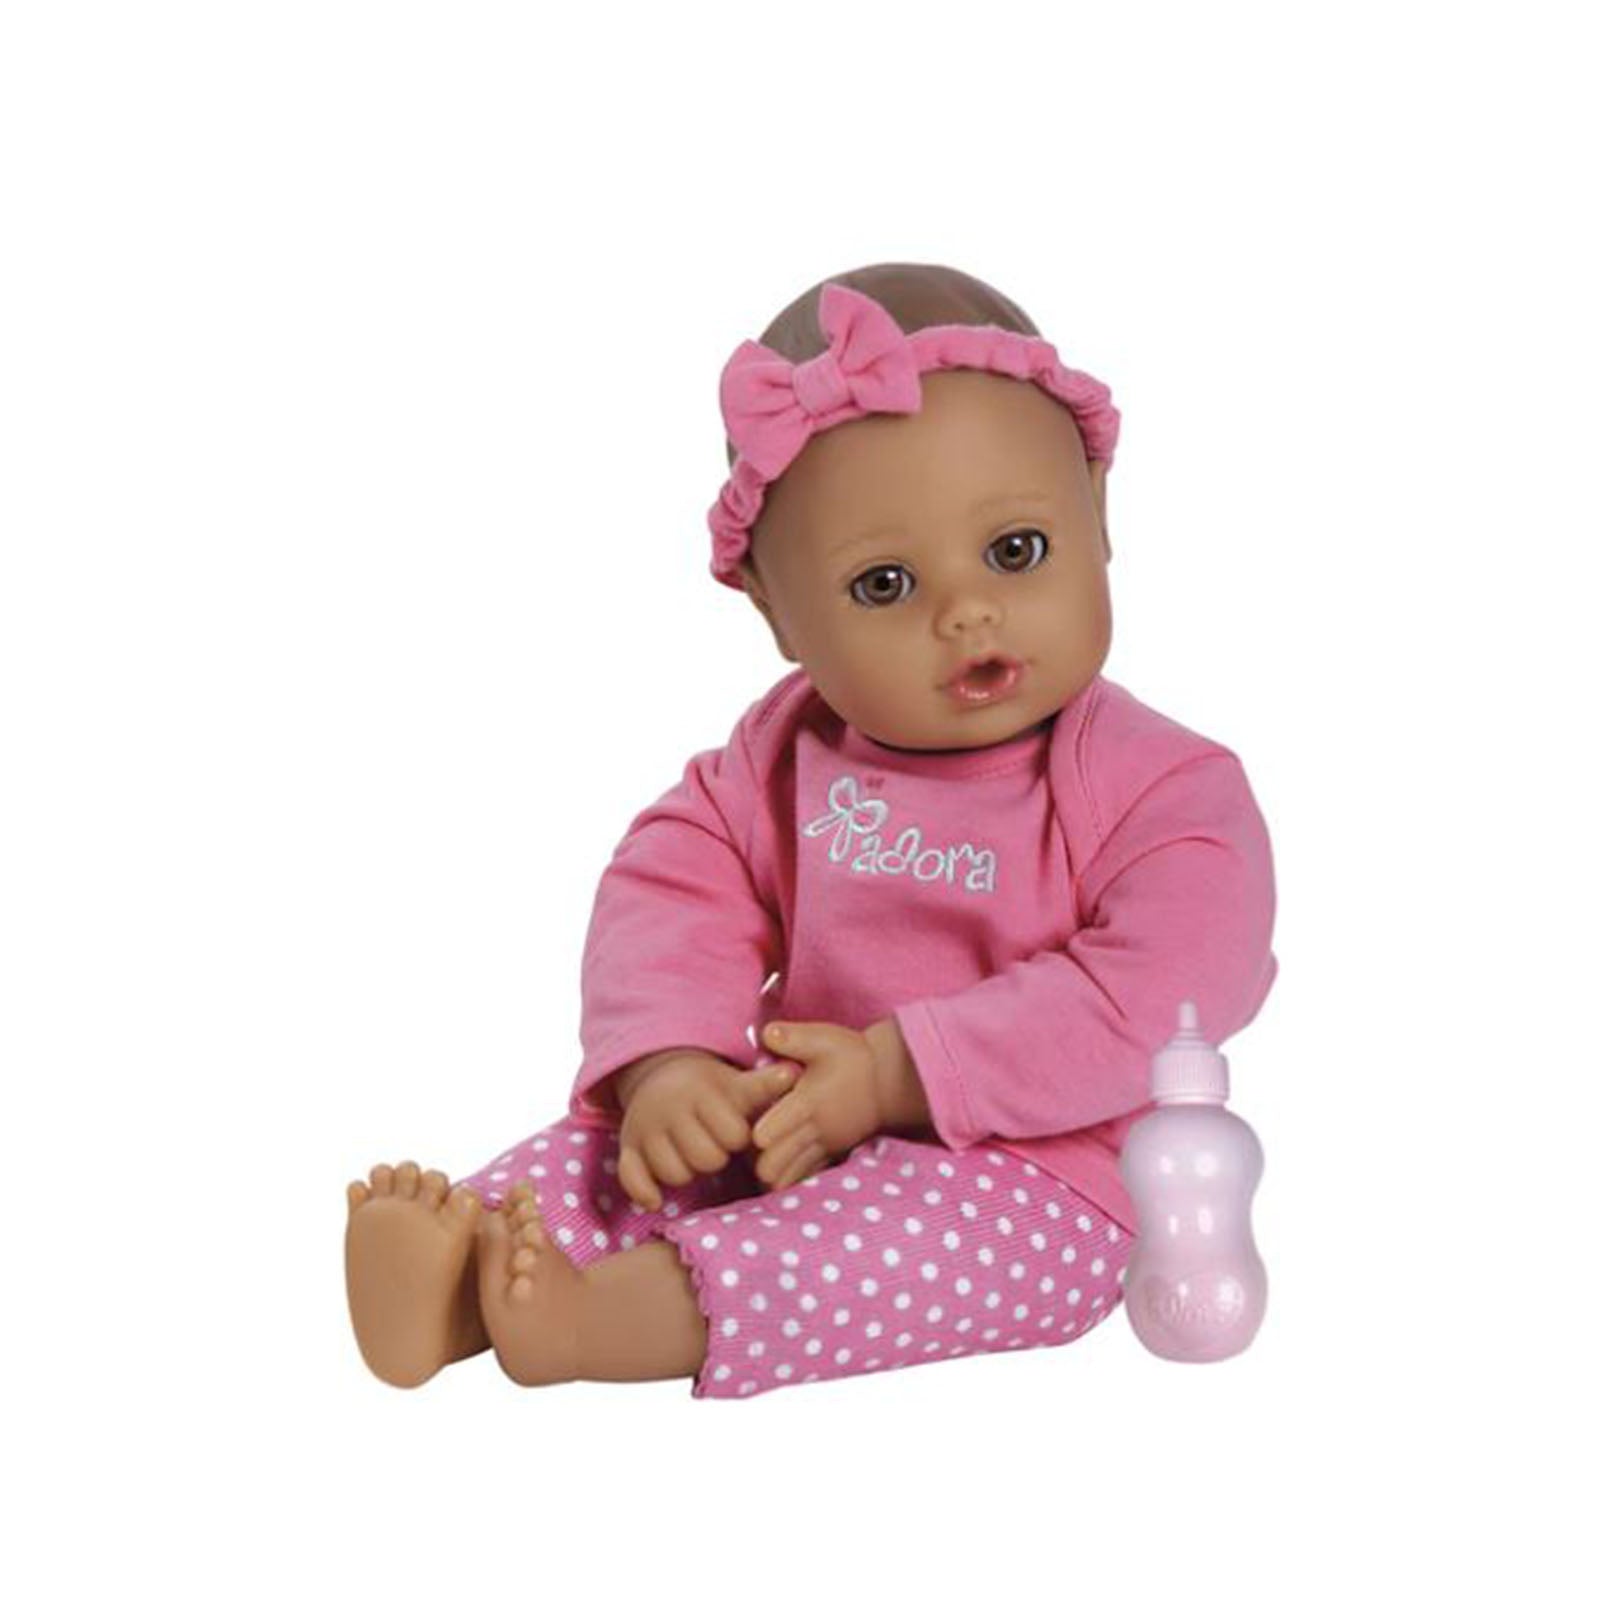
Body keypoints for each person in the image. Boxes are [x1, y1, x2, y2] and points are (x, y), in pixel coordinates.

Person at [343, 262, 1278, 1398]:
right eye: (883, 584)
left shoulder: (1164, 788)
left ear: (1098, 514)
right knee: (628, 1158)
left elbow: (1162, 992)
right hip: (788, 1117)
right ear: (775, 610)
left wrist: (893, 1073)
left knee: (863, 1254)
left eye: (1015, 550)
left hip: (1049, 1182)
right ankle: (462, 1273)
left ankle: (600, 1323)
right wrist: (672, 1065)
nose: (964, 611)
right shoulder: (783, 754)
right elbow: (673, 881)